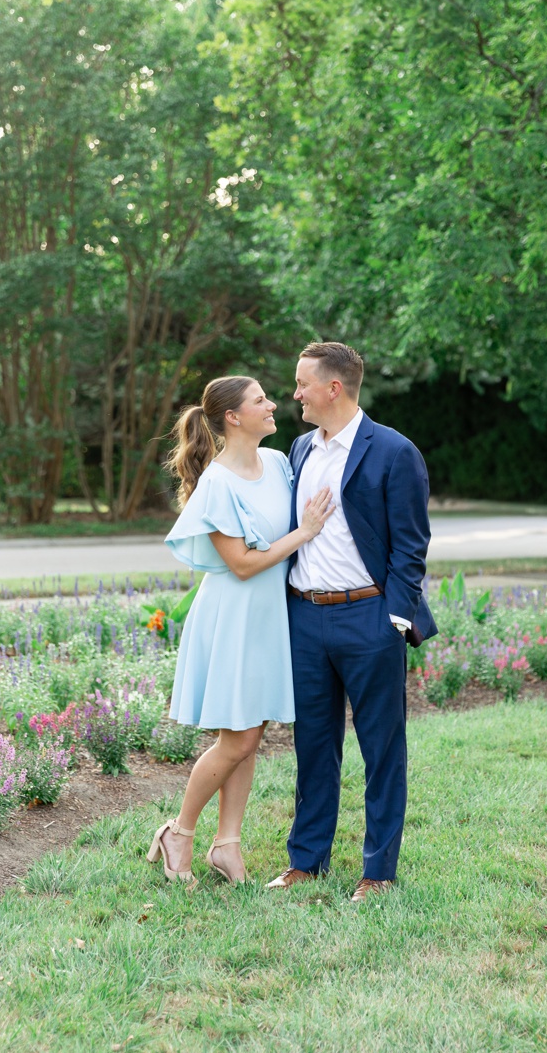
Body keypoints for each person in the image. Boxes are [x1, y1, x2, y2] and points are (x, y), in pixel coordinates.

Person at [266, 341, 435, 902]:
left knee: (382, 748)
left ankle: (378, 873)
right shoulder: (297, 448)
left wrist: (393, 618)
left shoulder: (393, 451)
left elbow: (411, 547)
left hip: (369, 617)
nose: (295, 394)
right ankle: (306, 861)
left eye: (302, 384)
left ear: (333, 388)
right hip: (305, 617)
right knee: (314, 745)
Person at [148, 376, 333, 884]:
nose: (272, 404)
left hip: (269, 616)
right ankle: (179, 833)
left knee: (251, 732)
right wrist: (305, 533)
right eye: (260, 400)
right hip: (233, 616)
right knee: (238, 737)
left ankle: (227, 845)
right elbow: (243, 564)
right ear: (234, 417)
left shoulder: (276, 464)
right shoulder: (217, 483)